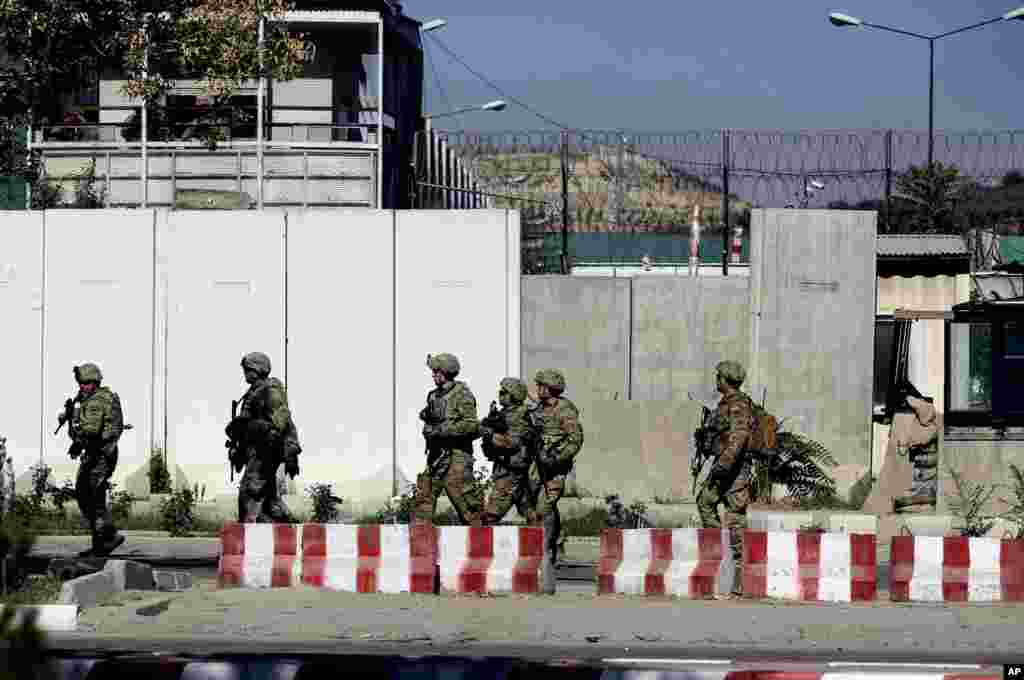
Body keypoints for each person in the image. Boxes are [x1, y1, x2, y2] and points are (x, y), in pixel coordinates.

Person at [696, 360, 755, 599]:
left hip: (734, 470)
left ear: (725, 379)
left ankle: (739, 577)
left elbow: (739, 437)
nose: (715, 379)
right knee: (705, 502)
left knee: (735, 517)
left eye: (718, 376)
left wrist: (724, 463)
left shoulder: (739, 404)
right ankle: (719, 556)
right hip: (724, 467)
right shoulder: (725, 404)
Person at [226, 352, 301, 523]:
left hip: (266, 449)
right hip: (256, 450)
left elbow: (282, 420)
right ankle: (286, 528)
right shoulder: (254, 392)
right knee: (268, 497)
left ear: (258, 369)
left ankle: (249, 534)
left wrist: (289, 452)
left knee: (250, 491)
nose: (245, 372)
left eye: (248, 369)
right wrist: (238, 447)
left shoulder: (270, 390)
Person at [530, 368, 584, 594]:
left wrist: (557, 458)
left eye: (541, 385)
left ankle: (549, 556)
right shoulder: (538, 409)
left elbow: (575, 440)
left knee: (545, 508)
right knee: (537, 510)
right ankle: (555, 539)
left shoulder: (565, 410)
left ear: (551, 388)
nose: (538, 389)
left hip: (554, 469)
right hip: (536, 468)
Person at [414, 353, 484, 526]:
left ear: (446, 372)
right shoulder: (433, 396)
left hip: (457, 456)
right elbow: (428, 416)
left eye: (436, 371)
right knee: (424, 499)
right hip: (436, 455)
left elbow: (472, 427)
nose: (433, 374)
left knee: (467, 506)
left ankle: (480, 546)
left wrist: (442, 430)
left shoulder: (462, 395)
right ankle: (420, 544)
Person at [63, 363, 126, 557]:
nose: (81, 386)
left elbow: (91, 429)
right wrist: (71, 413)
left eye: (85, 383)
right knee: (85, 495)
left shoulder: (97, 400)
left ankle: (107, 538)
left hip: (101, 455)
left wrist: (77, 438)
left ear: (94, 382)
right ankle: (101, 543)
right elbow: (89, 421)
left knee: (93, 497)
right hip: (95, 454)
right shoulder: (92, 400)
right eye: (80, 383)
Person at [480, 378, 539, 527]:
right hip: (511, 468)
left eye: (503, 392)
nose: (500, 394)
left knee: (490, 516)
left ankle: (484, 549)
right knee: (531, 513)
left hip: (511, 471)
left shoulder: (519, 415)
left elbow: (512, 443)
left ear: (514, 395)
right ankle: (548, 544)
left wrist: (489, 434)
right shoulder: (505, 413)